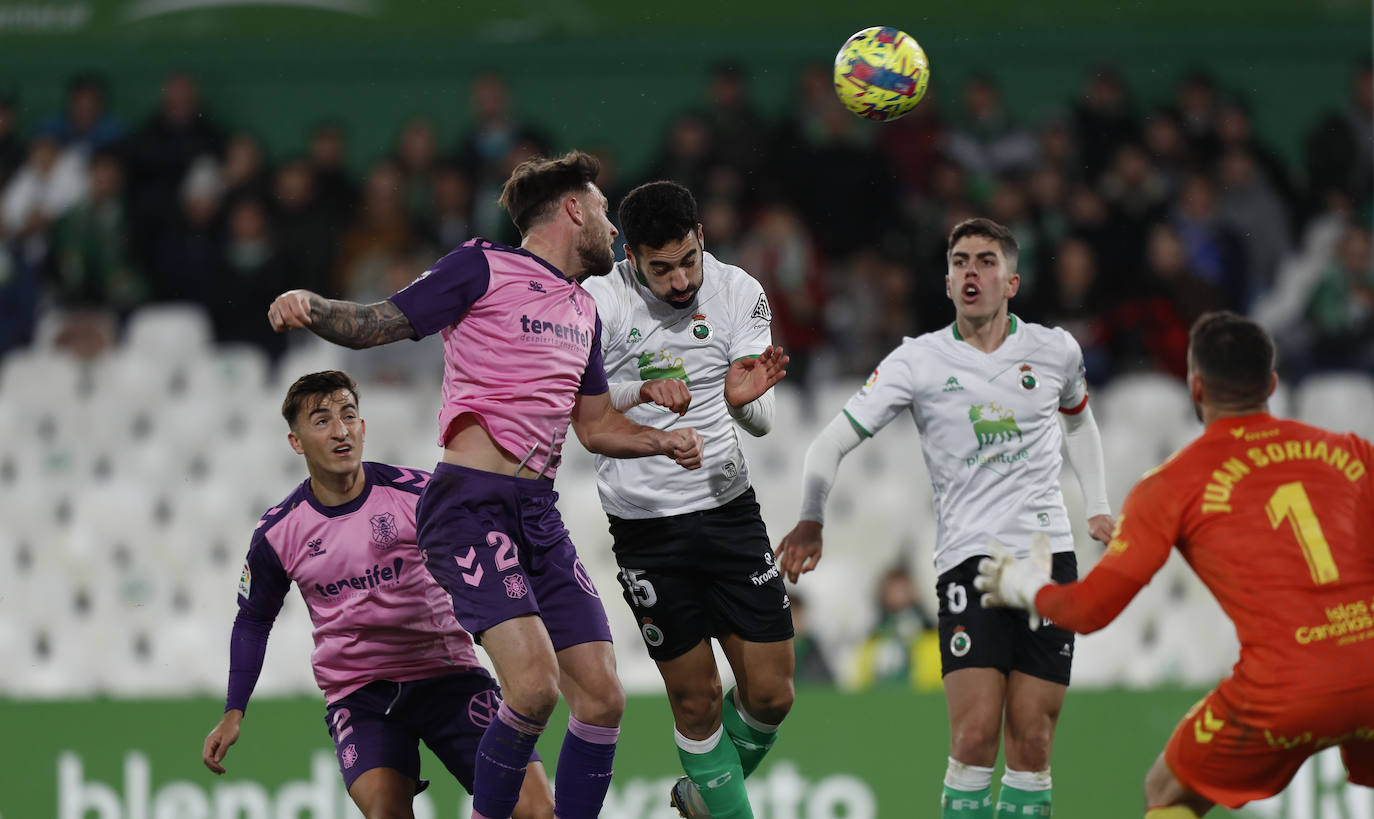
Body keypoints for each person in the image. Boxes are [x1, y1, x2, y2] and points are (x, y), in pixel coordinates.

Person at [266, 151, 704, 819]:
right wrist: (314, 306)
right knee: (532, 688)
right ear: (572, 209)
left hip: (537, 513)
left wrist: (660, 439)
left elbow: (594, 424)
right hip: (469, 505)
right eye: (605, 213)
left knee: (604, 695)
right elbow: (381, 322)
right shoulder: (482, 266)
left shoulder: (583, 310)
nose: (614, 231)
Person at [776, 217, 1115, 819]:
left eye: (986, 261)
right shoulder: (918, 361)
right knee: (974, 737)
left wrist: (1099, 507)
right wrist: (811, 517)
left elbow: (1080, 420)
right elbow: (827, 443)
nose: (971, 272)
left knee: (1033, 743)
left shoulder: (1055, 349)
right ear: (948, 277)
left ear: (1011, 281)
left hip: (1045, 560)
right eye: (960, 261)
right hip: (968, 562)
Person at [976, 311, 1374, 818]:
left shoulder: (1171, 485)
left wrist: (1024, 584)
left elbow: (1090, 612)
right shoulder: (1355, 453)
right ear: (1272, 384)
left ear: (1196, 387)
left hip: (1286, 689)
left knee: (1166, 791)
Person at [201, 370, 554, 819]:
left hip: (448, 677)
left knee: (538, 811)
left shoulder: (418, 496)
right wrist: (234, 711)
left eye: (349, 415)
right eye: (322, 420)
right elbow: (253, 620)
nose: (341, 430)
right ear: (296, 441)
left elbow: (489, 559)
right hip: (360, 694)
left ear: (364, 428)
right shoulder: (278, 533)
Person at [580, 180, 792, 819]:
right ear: (631, 257)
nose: (679, 282)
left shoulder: (739, 292)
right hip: (647, 529)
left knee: (773, 694)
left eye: (688, 261)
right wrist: (640, 391)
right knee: (696, 702)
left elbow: (762, 417)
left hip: (728, 512)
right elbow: (580, 411)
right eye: (661, 268)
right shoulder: (598, 303)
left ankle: (700, 797)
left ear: (701, 238)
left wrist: (742, 401)